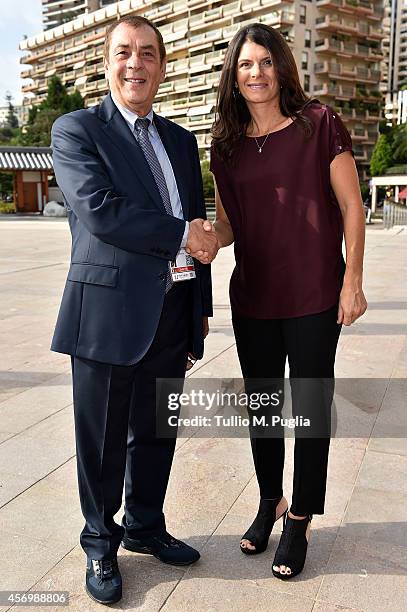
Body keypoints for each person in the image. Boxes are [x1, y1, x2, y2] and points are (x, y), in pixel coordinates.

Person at [50, 15, 217, 605]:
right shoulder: (76, 130)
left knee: (155, 431)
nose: (136, 64)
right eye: (124, 52)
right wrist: (183, 235)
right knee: (100, 440)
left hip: (173, 309)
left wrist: (200, 304)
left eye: (148, 53)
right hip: (107, 311)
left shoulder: (180, 140)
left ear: (163, 66)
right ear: (106, 61)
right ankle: (100, 544)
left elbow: (196, 223)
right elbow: (101, 210)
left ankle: (145, 526)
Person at [208, 23, 367, 580]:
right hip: (252, 296)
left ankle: (300, 516)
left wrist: (352, 282)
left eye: (266, 62)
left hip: (314, 294)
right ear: (234, 73)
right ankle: (269, 500)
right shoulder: (224, 145)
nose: (256, 73)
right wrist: (207, 237)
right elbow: (231, 225)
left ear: (282, 67)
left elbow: (352, 206)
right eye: (246, 64)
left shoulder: (319, 124)